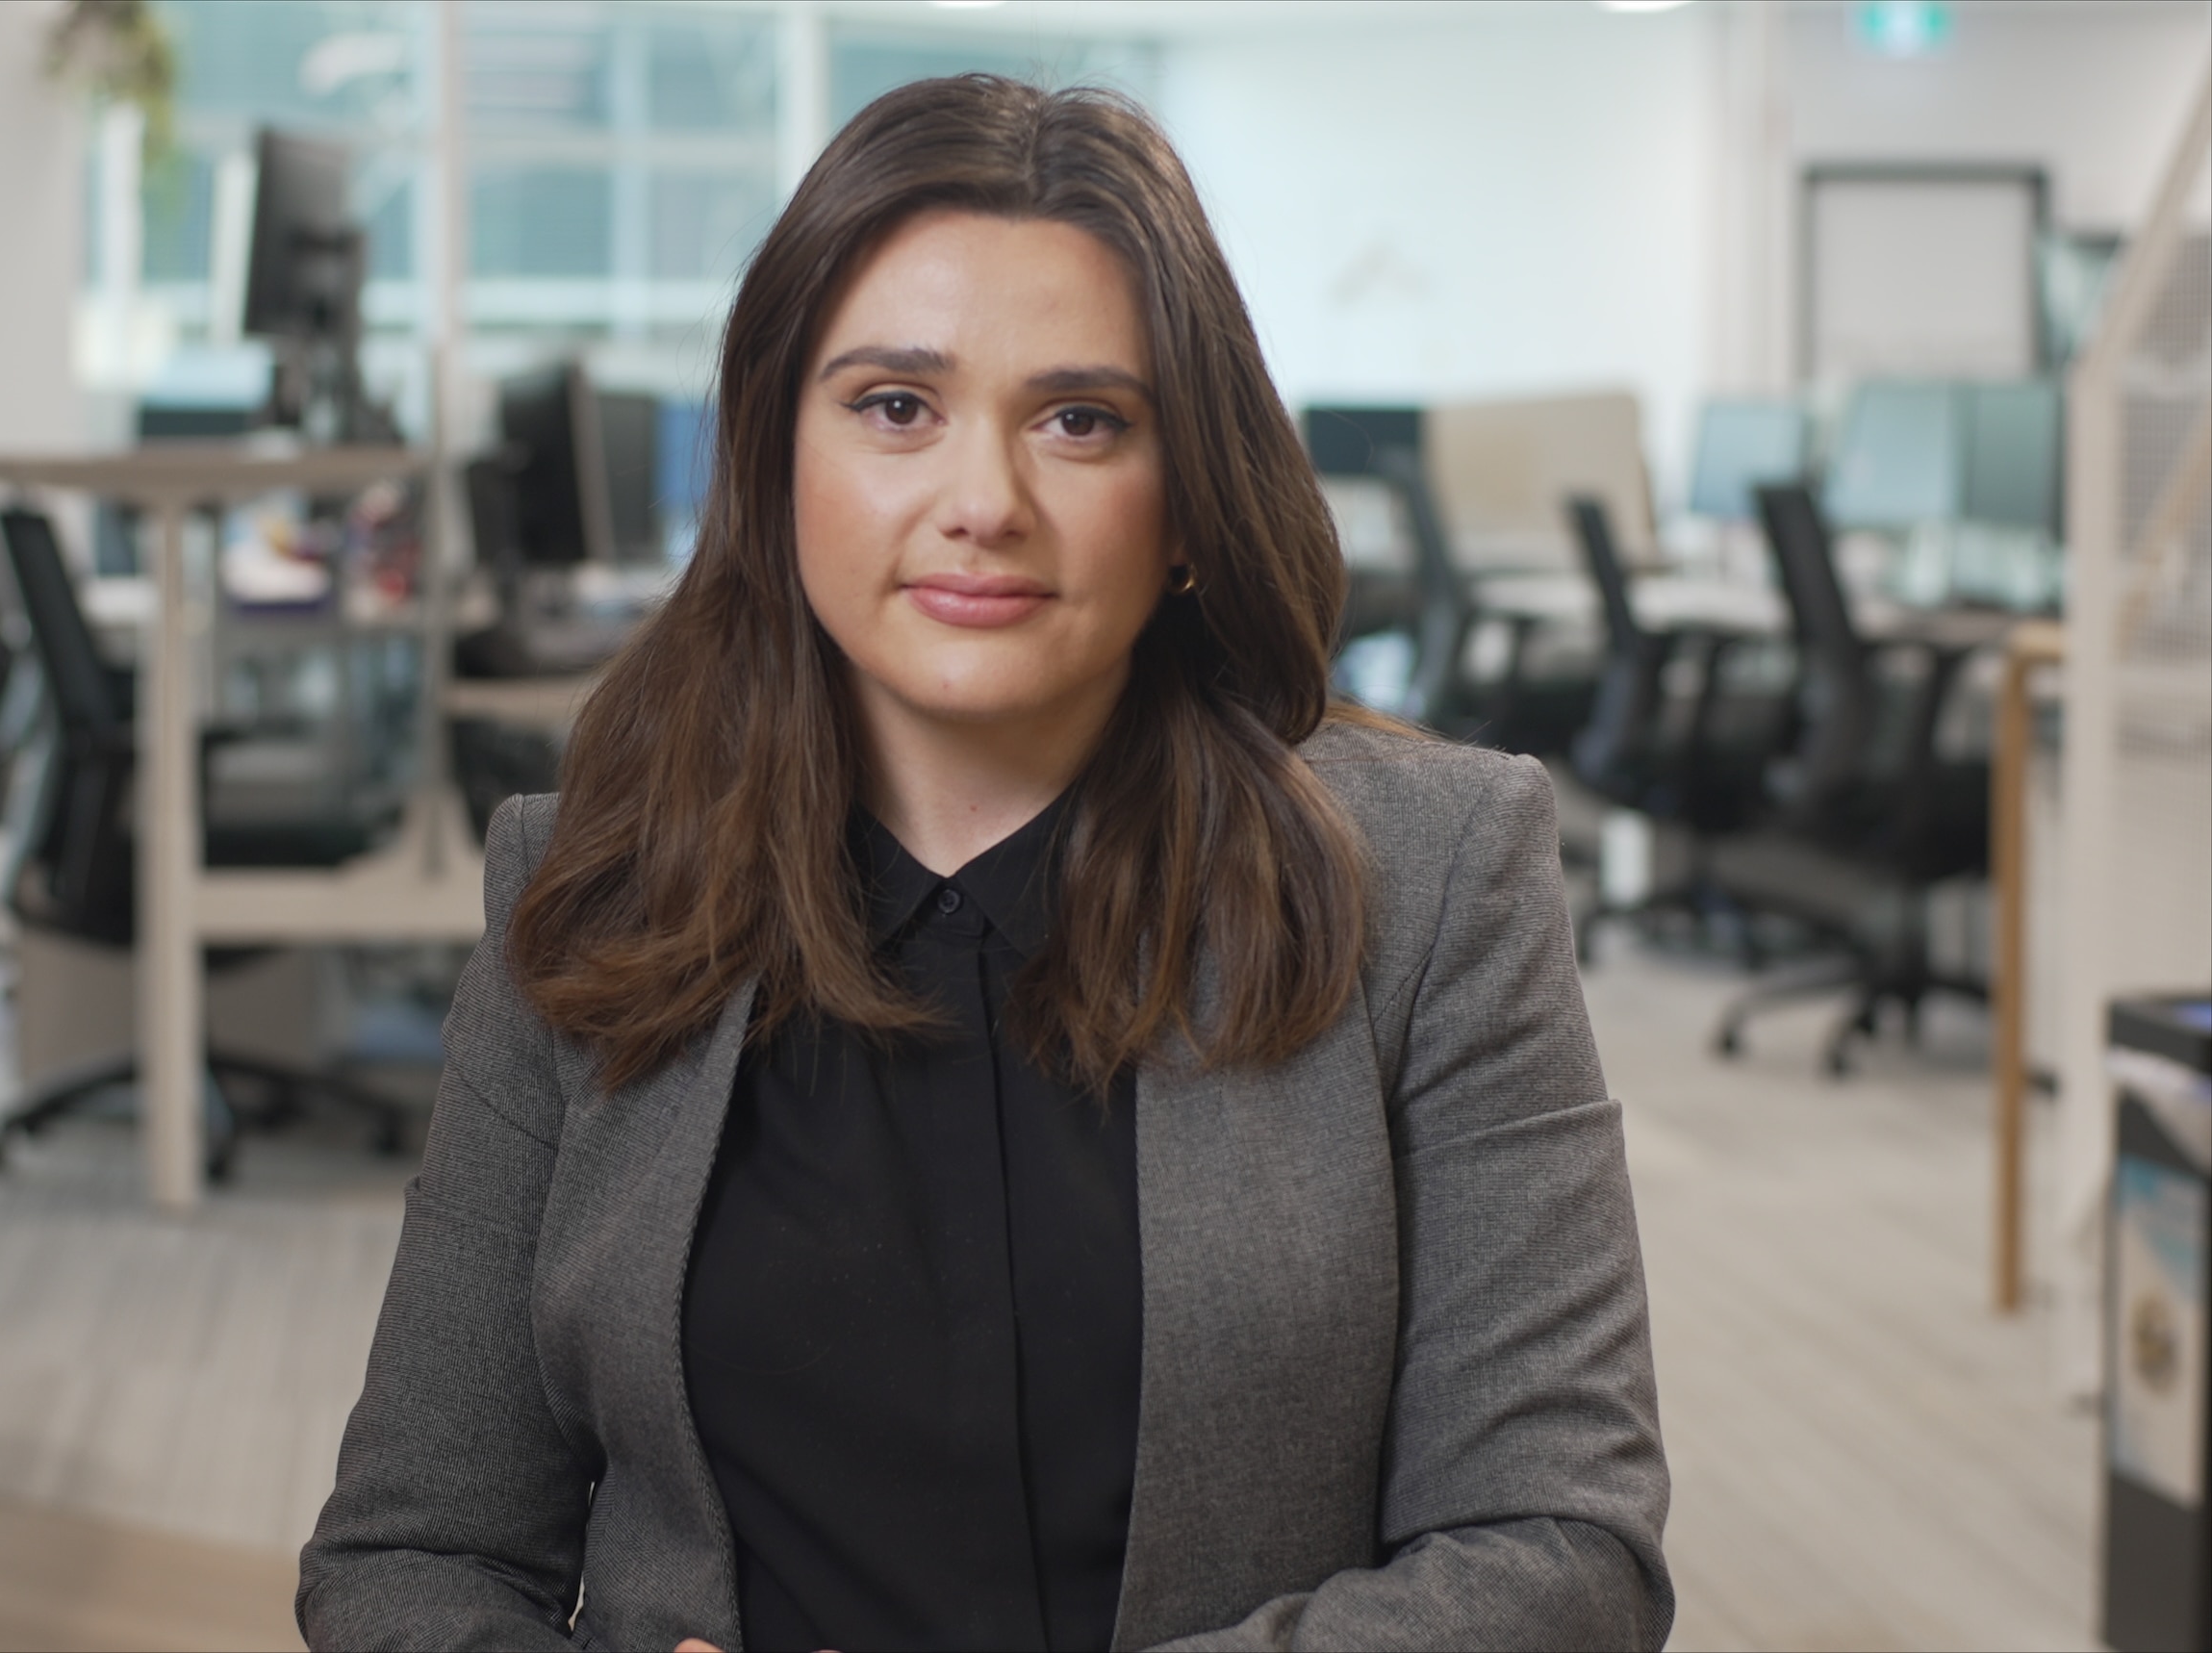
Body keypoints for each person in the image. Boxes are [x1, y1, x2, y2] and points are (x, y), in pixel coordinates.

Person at [299, 76, 1669, 1653]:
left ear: (1184, 504)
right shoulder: (588, 895)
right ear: (772, 456)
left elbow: (1562, 1555)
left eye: (1080, 421)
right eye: (896, 405)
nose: (981, 504)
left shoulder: (1431, 879)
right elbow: (409, 1557)